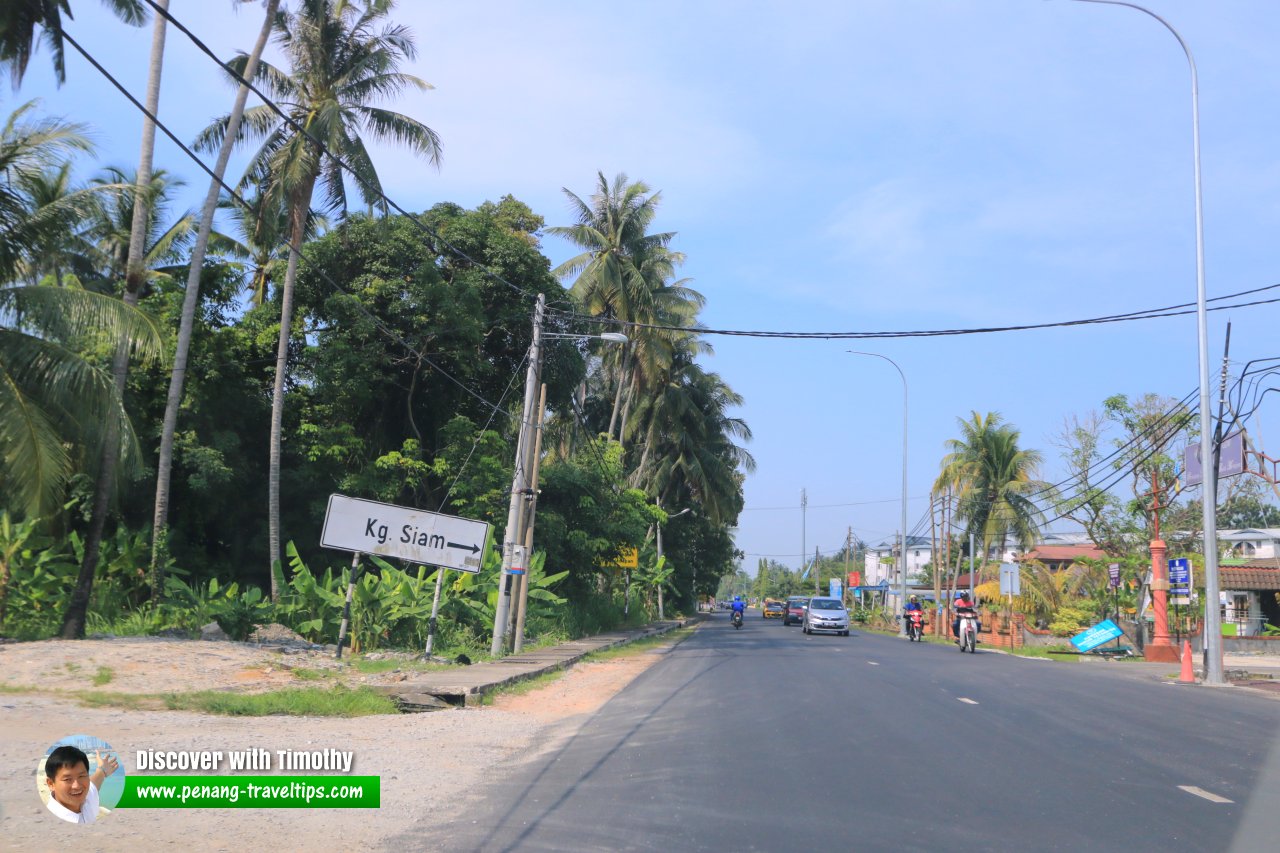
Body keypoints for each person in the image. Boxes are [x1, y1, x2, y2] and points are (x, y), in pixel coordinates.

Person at [44, 745, 117, 824]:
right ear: (51, 784)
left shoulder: (87, 798)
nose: (77, 786)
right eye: (67, 779)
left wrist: (102, 770)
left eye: (81, 776)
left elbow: (94, 782)